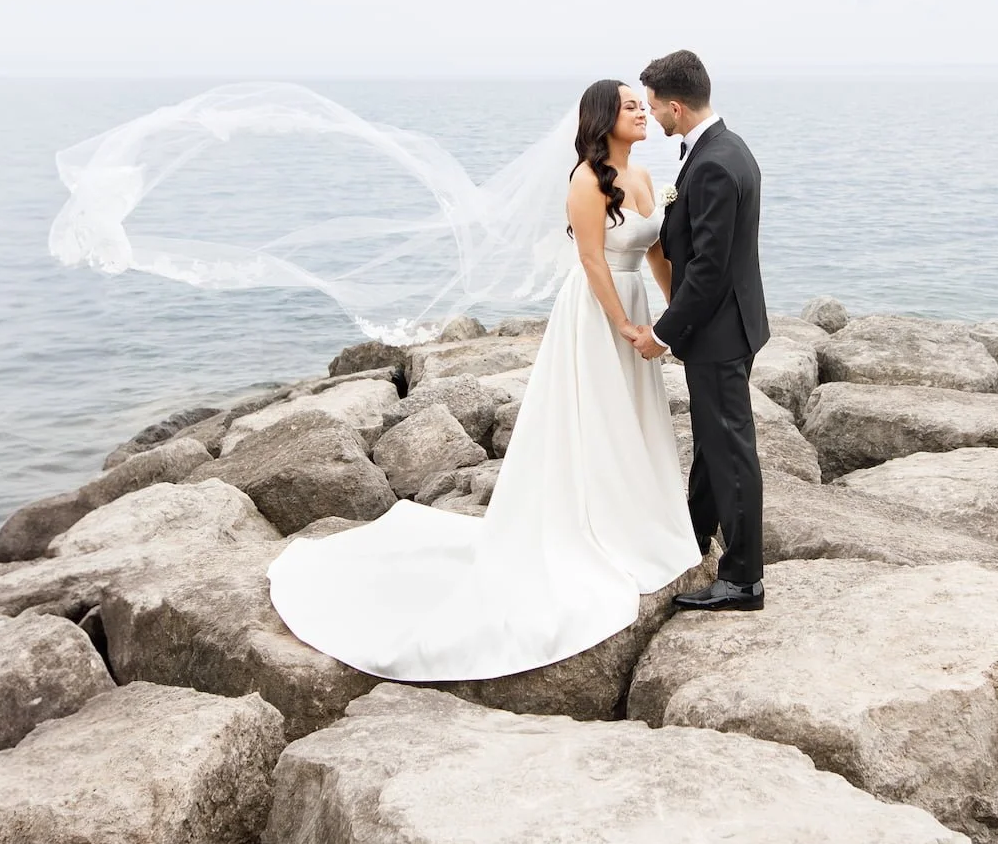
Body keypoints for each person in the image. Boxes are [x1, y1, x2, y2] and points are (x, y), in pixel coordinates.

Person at [263, 78, 704, 680]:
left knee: (634, 416)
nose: (642, 114)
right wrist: (623, 324)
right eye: (630, 107)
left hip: (638, 311)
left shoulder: (648, 180)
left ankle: (640, 521)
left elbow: (655, 254)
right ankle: (597, 525)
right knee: (596, 413)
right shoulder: (584, 180)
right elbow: (593, 260)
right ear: (604, 119)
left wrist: (677, 315)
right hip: (598, 312)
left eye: (642, 106)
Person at [632, 49, 770, 612]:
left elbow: (710, 268)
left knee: (731, 453)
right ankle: (691, 541)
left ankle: (743, 582)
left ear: (676, 105)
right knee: (715, 448)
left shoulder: (713, 162)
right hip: (732, 326)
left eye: (653, 107)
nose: (652, 116)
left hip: (717, 332)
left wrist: (663, 333)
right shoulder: (725, 148)